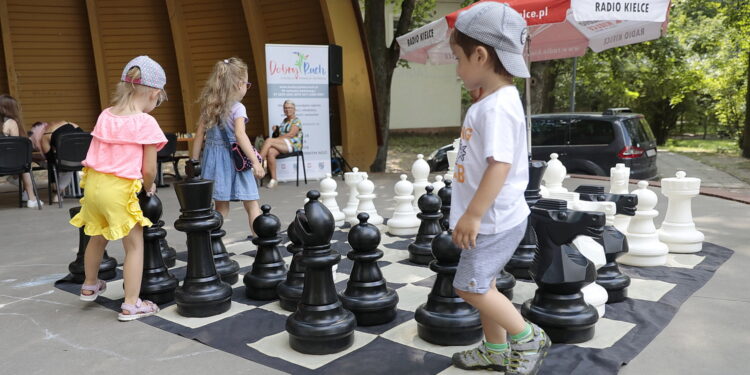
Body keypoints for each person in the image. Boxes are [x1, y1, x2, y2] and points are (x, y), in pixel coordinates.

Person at [447, 3, 550, 375]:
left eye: (458, 58)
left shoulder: (498, 106)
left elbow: (500, 165)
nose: (456, 68)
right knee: (483, 284)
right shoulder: (491, 102)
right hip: (490, 219)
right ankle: (495, 349)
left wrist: (473, 215)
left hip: (492, 221)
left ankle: (527, 338)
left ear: (480, 54)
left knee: (471, 288)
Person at [70, 56, 168, 321]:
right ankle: (131, 304)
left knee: (97, 236)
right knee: (134, 246)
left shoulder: (106, 114)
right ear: (154, 93)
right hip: (120, 190)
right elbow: (148, 170)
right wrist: (149, 188)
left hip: (92, 186)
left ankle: (90, 285)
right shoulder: (146, 123)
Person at [190, 57, 264, 237]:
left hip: (214, 162)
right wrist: (256, 162)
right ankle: (262, 244)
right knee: (252, 204)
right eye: (247, 83)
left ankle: (210, 243)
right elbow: (240, 135)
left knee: (221, 207)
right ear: (239, 84)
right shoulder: (238, 108)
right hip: (237, 162)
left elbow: (199, 135)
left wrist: (193, 161)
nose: (247, 87)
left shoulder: (209, 106)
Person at [0, 94, 42, 208]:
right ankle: (31, 198)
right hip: (8, 163)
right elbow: (16, 147)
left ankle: (19, 185)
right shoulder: (11, 123)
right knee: (25, 164)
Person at [30, 120, 84, 202]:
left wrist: (53, 186)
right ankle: (59, 192)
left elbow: (51, 163)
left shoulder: (45, 136)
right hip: (84, 156)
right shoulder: (68, 124)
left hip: (68, 160)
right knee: (70, 163)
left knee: (64, 165)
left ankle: (58, 193)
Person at [259, 99, 302, 188]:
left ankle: (257, 163)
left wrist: (275, 140)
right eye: (285, 108)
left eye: (290, 108)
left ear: (294, 109)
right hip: (284, 144)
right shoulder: (285, 121)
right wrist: (277, 129)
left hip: (293, 145)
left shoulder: (297, 121)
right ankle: (274, 180)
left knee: (269, 141)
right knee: (270, 151)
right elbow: (282, 134)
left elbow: (291, 134)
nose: (287, 110)